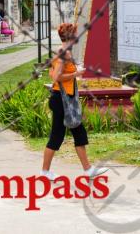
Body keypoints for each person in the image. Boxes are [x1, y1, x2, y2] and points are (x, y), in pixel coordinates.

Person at [42, 23, 108, 180]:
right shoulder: (63, 53)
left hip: (64, 99)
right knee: (60, 135)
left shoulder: (64, 52)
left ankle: (86, 169)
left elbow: (54, 72)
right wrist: (76, 73)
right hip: (61, 100)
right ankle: (46, 171)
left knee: (74, 132)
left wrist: (74, 69)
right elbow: (56, 77)